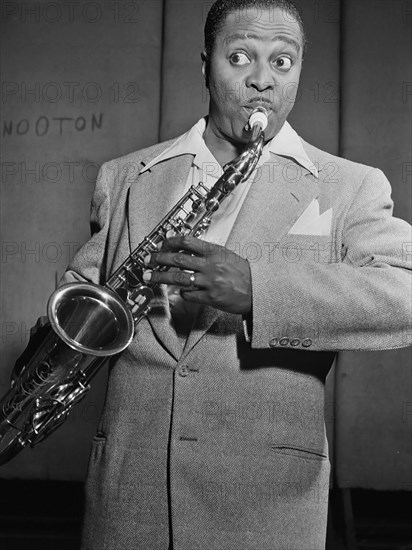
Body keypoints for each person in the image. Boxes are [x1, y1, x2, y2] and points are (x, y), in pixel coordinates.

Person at [54, 0, 411, 548]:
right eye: (240, 56)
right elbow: (83, 302)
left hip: (267, 507)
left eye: (283, 62)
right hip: (128, 500)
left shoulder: (350, 186)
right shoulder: (125, 177)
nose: (262, 80)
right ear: (205, 65)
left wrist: (259, 290)